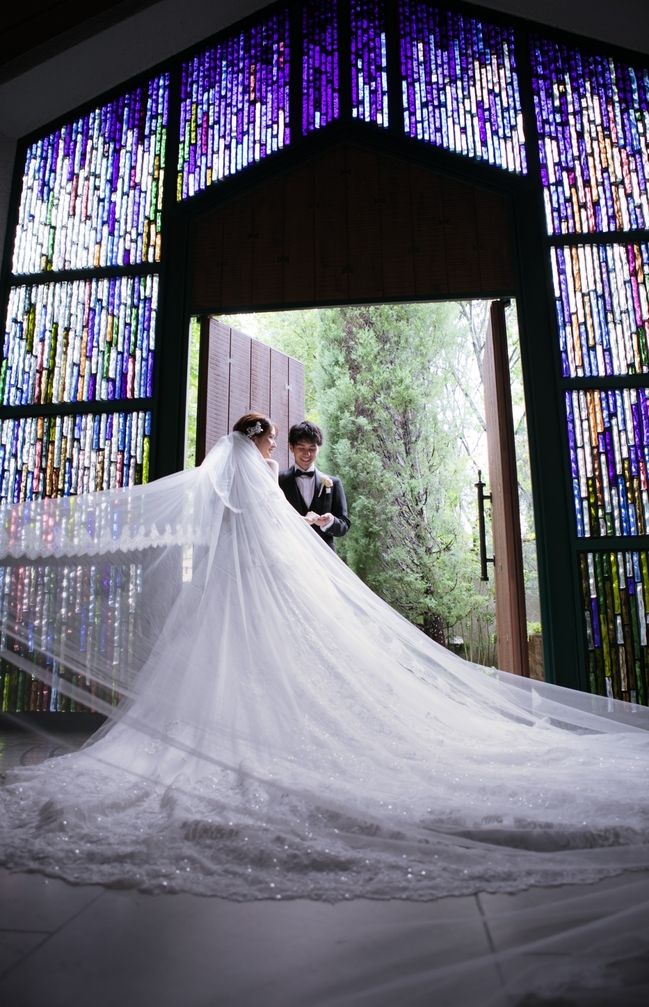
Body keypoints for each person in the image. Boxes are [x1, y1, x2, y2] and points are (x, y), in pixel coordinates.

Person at [0, 415, 648, 925]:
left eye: (298, 446)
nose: (286, 453)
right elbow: (266, 530)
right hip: (267, 578)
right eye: (279, 444)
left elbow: (316, 523)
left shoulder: (285, 480)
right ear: (265, 446)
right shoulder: (264, 479)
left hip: (268, 576)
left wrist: (324, 521)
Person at [279, 421, 350, 551]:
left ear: (319, 448)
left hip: (324, 554)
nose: (307, 454)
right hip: (288, 552)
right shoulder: (278, 480)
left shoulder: (334, 483)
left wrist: (330, 522)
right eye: (301, 448)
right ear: (291, 448)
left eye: (312, 448)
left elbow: (344, 526)